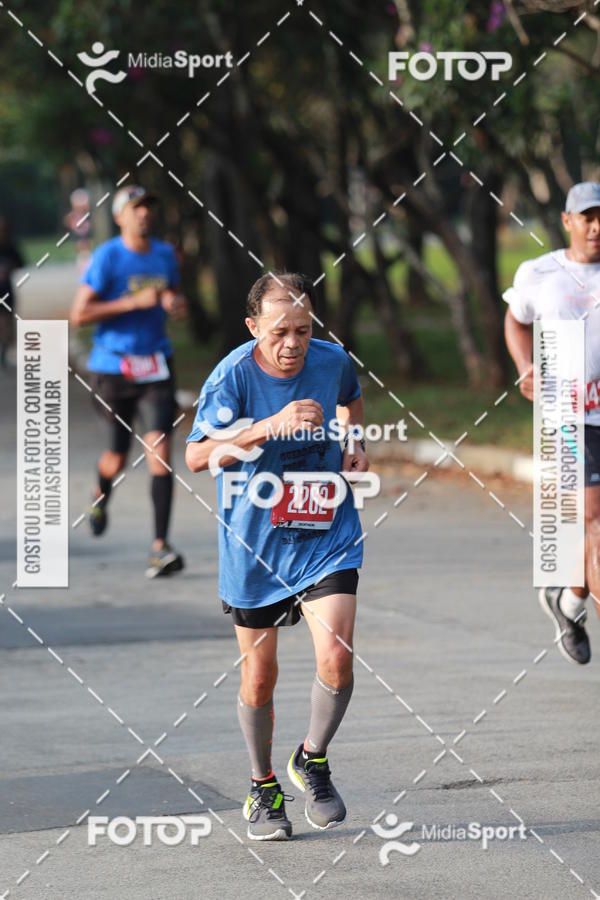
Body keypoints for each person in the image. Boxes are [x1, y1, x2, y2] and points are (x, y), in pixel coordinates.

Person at [185, 272, 369, 840]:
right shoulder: (233, 375)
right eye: (280, 332)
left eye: (304, 330)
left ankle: (311, 758)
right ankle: (262, 786)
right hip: (255, 542)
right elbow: (195, 457)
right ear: (253, 327)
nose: (293, 343)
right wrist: (269, 426)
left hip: (325, 532)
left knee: (337, 658)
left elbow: (352, 399)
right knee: (259, 677)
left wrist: (356, 442)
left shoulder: (331, 360)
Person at [504, 180, 600, 665]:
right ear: (568, 221)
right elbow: (516, 319)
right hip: (568, 414)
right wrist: (525, 367)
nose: (597, 226)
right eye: (588, 216)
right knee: (595, 519)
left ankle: (569, 600)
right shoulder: (539, 272)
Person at [70, 185, 187, 578]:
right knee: (117, 456)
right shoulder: (108, 257)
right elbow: (79, 315)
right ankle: (100, 493)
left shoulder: (165, 254)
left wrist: (175, 303)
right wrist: (130, 303)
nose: (144, 214)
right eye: (136, 208)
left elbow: (171, 294)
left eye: (149, 207)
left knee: (160, 449)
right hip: (113, 367)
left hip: (156, 364)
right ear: (120, 216)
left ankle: (160, 547)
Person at [0, 216, 24, 368]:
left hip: (5, 292)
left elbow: (20, 262)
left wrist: (8, 268)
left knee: (7, 325)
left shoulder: (10, 247)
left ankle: (3, 354)